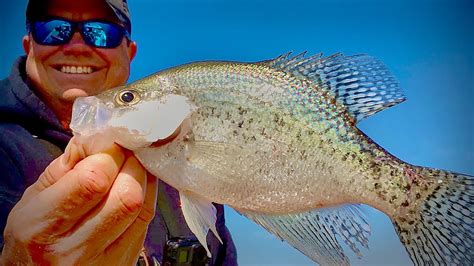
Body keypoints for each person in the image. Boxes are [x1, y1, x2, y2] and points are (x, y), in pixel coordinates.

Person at [0, 0, 237, 265]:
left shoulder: (177, 154)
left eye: (101, 32)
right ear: (28, 44)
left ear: (129, 51)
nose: (77, 46)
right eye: (53, 29)